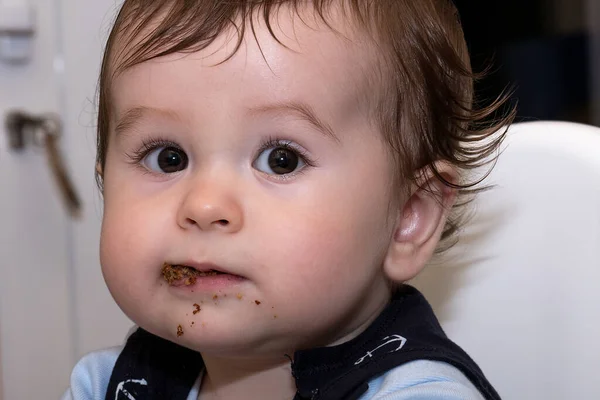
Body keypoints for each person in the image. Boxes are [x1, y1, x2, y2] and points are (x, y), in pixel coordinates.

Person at [63, 0, 513, 399]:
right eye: (168, 158)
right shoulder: (103, 385)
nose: (203, 206)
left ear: (407, 218)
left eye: (281, 160)